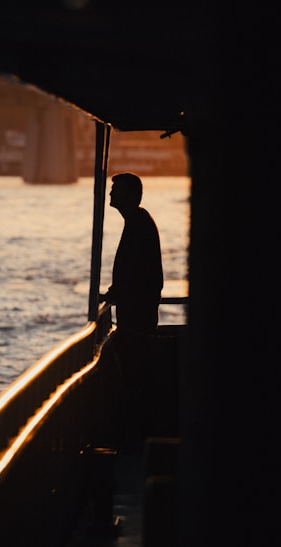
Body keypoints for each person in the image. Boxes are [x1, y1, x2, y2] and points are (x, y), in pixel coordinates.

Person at [102, 172, 163, 452]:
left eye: (116, 190)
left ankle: (134, 438)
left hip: (136, 321)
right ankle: (135, 434)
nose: (111, 194)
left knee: (133, 376)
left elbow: (139, 273)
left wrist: (119, 293)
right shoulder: (138, 221)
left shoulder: (137, 223)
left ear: (129, 195)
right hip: (137, 316)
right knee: (133, 374)